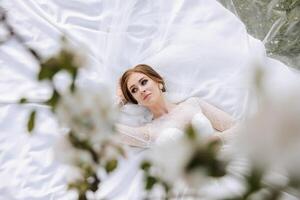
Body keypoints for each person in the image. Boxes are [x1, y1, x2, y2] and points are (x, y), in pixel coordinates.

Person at [115, 64, 237, 148]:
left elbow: (237, 128)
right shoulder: (149, 132)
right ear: (136, 101)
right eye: (134, 90)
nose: (141, 90)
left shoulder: (193, 104)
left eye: (144, 82)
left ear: (159, 83)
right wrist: (121, 100)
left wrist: (217, 140)